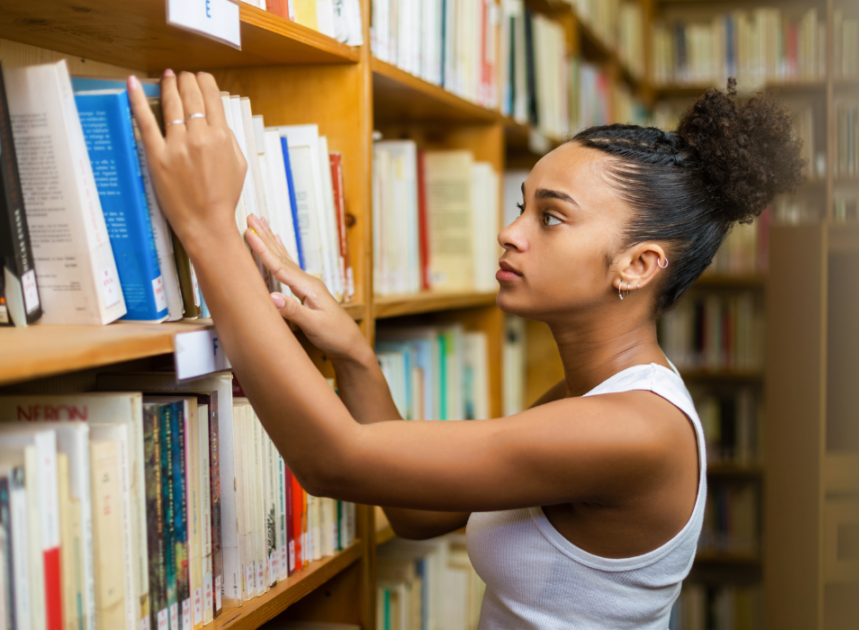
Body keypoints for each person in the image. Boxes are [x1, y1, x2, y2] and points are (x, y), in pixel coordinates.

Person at [127, 72, 802, 628]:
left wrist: (208, 226)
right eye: (521, 205)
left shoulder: (630, 429)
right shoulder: (587, 397)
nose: (510, 233)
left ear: (637, 265)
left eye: (551, 216)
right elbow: (419, 513)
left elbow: (334, 463)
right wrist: (357, 360)